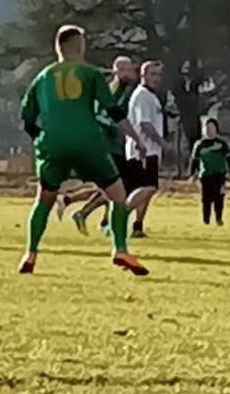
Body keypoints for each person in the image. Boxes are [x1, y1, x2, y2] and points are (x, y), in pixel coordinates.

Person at [18, 25, 149, 276]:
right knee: (117, 195)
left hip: (52, 145)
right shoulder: (90, 74)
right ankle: (120, 249)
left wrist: (42, 139)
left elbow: (26, 119)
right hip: (87, 142)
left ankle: (30, 254)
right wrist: (136, 139)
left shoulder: (43, 77)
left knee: (43, 200)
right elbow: (113, 111)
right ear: (79, 45)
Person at [66, 56, 138, 233]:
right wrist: (115, 129)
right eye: (127, 70)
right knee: (116, 186)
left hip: (115, 145)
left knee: (116, 186)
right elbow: (102, 116)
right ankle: (86, 214)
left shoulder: (122, 89)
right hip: (107, 146)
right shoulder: (112, 91)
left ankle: (103, 221)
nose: (131, 73)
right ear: (118, 71)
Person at [124, 60, 167, 238]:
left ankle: (138, 226)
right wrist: (163, 143)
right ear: (143, 75)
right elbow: (145, 124)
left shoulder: (152, 96)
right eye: (152, 74)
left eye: (158, 75)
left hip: (152, 151)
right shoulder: (142, 95)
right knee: (148, 187)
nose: (156, 78)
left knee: (147, 190)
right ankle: (119, 217)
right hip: (143, 150)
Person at [191, 117, 230, 226]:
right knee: (206, 199)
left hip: (220, 175)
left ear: (216, 129)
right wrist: (193, 174)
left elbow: (229, 158)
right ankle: (206, 220)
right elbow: (195, 160)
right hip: (206, 176)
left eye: (212, 127)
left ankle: (219, 219)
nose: (209, 130)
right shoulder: (199, 145)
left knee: (219, 197)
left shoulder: (222, 144)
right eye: (207, 127)